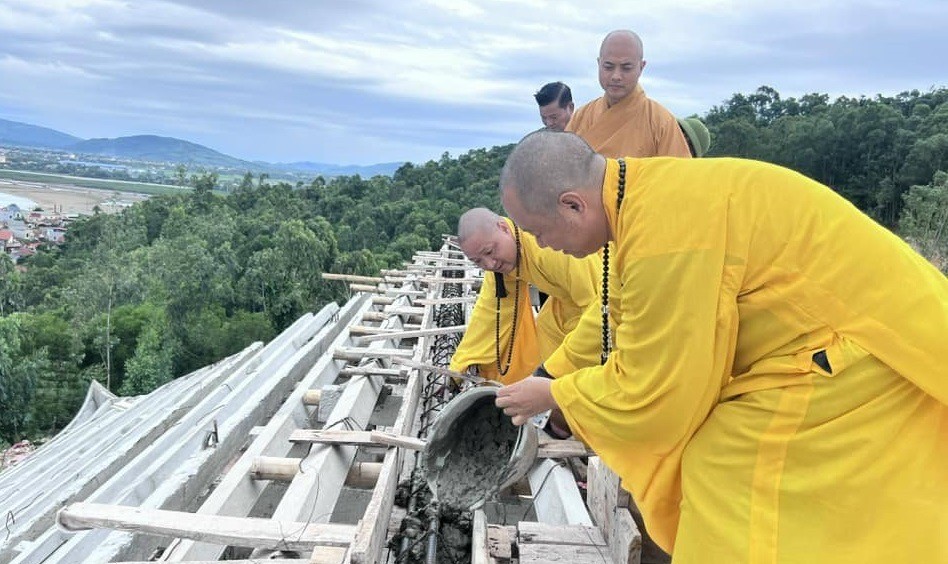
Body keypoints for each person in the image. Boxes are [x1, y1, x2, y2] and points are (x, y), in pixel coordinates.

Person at [495, 129, 948, 562]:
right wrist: (550, 375)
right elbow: (618, 313)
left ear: (573, 205)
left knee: (722, 467)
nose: (543, 245)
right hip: (847, 335)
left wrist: (558, 396)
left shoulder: (663, 231)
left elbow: (657, 393)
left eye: (539, 232)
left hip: (853, 351)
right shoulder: (642, 198)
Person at [449, 207, 601, 385]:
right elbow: (490, 313)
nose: (490, 263)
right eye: (478, 261)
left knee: (580, 357)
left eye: (490, 252)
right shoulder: (501, 264)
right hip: (568, 305)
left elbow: (603, 304)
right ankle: (550, 388)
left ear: (504, 228)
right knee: (547, 327)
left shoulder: (549, 247)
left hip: (607, 296)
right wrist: (459, 365)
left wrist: (555, 369)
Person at [566, 30, 691, 158]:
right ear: (599, 64)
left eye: (626, 68)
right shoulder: (580, 118)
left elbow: (679, 174)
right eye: (608, 67)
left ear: (641, 68)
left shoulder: (661, 122)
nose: (616, 76)